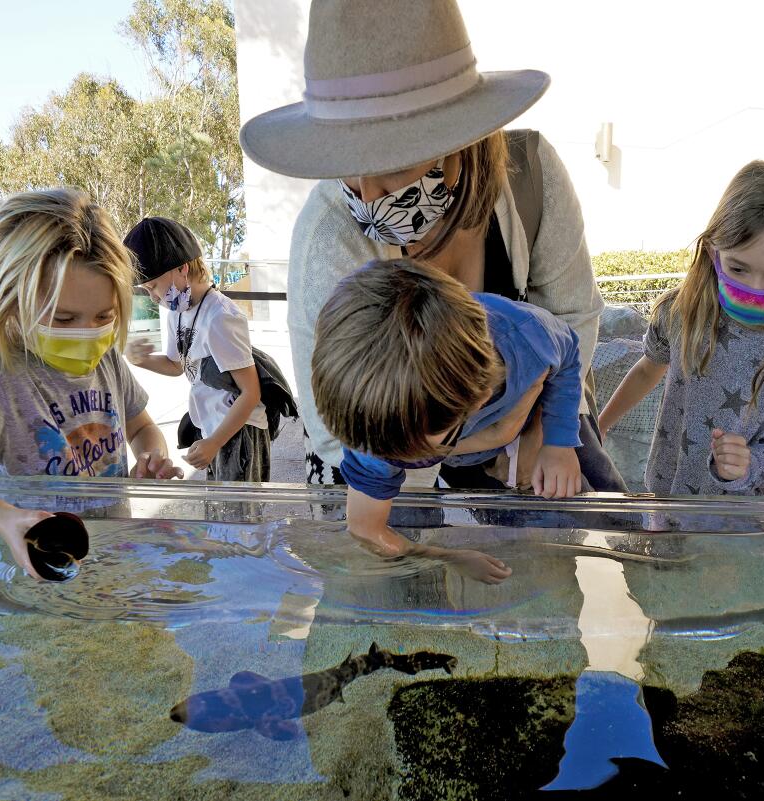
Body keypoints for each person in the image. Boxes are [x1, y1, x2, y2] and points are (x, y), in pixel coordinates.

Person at [239, 0, 623, 493]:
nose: (366, 193)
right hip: (390, 462)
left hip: (542, 419)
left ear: (462, 141)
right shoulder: (326, 235)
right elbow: (338, 428)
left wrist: (541, 429)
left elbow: (573, 318)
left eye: (392, 164)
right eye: (345, 163)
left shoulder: (532, 174)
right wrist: (470, 443)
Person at [0, 188, 182, 579]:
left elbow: (142, 426)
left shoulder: (107, 360)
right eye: (64, 319)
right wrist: (2, 518)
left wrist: (150, 457)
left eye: (104, 316)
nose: (88, 333)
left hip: (112, 554)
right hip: (35, 565)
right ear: (10, 301)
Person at [311, 258, 587, 577]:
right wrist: (448, 557)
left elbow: (566, 357)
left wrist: (558, 443)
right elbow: (365, 530)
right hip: (484, 435)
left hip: (523, 411)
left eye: (413, 451)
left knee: (571, 516)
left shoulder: (526, 337)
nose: (389, 458)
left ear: (480, 396)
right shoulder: (374, 431)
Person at [597, 158, 764, 497]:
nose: (755, 289)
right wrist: (602, 424)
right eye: (738, 268)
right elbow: (646, 371)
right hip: (668, 497)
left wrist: (747, 464)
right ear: (713, 251)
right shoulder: (682, 311)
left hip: (745, 524)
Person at [123, 217, 271, 482]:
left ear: (183, 268)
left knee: (239, 518)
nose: (153, 297)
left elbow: (250, 393)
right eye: (146, 290)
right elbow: (176, 365)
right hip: (213, 429)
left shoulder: (220, 317)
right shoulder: (176, 313)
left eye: (153, 286)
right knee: (221, 516)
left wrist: (215, 442)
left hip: (239, 430)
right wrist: (141, 360)